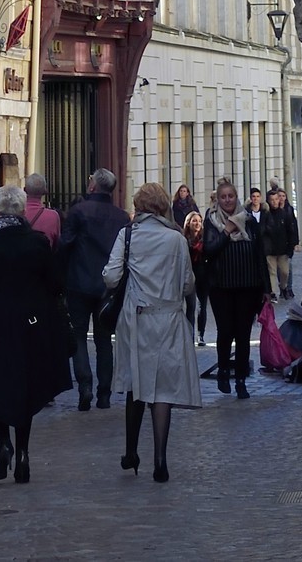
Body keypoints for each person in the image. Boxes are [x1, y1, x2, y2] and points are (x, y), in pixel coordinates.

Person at [0, 182, 72, 482]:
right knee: (25, 386)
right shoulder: (37, 243)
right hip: (30, 324)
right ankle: (24, 451)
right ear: (22, 209)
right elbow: (55, 283)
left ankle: (3, 444)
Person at [104, 183, 202, 484]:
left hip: (137, 318)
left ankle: (131, 452)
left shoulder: (128, 235)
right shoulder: (175, 239)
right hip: (169, 319)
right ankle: (160, 458)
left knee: (137, 384)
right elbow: (188, 284)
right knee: (162, 391)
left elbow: (110, 277)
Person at [58, 167, 131, 410]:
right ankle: (104, 393)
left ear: (92, 187)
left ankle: (85, 385)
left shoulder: (78, 212)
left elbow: (65, 246)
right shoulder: (121, 217)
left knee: (79, 336)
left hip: (79, 282)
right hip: (107, 286)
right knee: (103, 340)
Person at [202, 178, 270, 397]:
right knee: (225, 332)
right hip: (221, 285)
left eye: (231, 196)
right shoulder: (211, 221)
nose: (227, 200)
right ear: (218, 199)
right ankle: (223, 369)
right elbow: (209, 251)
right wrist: (227, 231)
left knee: (243, 333)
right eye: (223, 197)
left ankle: (241, 380)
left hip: (248, 285)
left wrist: (266, 288)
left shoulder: (249, 221)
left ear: (237, 197)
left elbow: (260, 254)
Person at [173, 184, 207, 342]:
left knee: (202, 306)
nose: (197, 224)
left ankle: (201, 334)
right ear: (189, 223)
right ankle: (189, 334)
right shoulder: (183, 240)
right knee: (191, 305)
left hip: (202, 275)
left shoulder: (205, 239)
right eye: (194, 221)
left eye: (199, 221)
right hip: (188, 274)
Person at [262, 185, 300, 300]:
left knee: (285, 272)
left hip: (283, 248)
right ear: (268, 201)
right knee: (272, 273)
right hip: (270, 249)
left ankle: (283, 287)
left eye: (276, 199)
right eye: (272, 200)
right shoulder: (265, 215)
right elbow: (262, 232)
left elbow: (291, 230)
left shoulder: (284, 213)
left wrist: (292, 245)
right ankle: (273, 293)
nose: (274, 202)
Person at [23, 172, 61, 245]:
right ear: (45, 191)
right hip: (45, 255)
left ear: (25, 190)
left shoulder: (18, 214)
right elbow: (57, 244)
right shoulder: (53, 216)